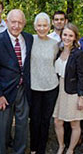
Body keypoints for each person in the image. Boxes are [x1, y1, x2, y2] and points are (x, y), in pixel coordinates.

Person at [0, 9, 33, 154]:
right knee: (1, 127)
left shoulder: (29, 38)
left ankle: (19, 150)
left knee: (22, 124)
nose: (16, 25)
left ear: (24, 24)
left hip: (23, 89)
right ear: (7, 22)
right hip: (3, 92)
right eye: (13, 22)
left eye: (20, 22)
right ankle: (1, 151)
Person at [53, 23, 83, 154]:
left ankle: (71, 149)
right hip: (59, 90)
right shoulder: (58, 51)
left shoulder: (79, 54)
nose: (67, 38)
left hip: (72, 91)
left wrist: (81, 97)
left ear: (75, 38)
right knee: (57, 121)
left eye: (70, 35)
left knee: (74, 124)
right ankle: (61, 146)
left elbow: (82, 76)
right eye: (65, 34)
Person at [29, 12, 59, 154]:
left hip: (51, 86)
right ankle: (34, 147)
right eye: (39, 25)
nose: (42, 28)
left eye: (45, 25)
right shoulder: (29, 40)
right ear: (35, 26)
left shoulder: (55, 44)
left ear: (49, 26)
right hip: (33, 86)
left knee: (46, 119)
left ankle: (42, 148)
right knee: (34, 118)